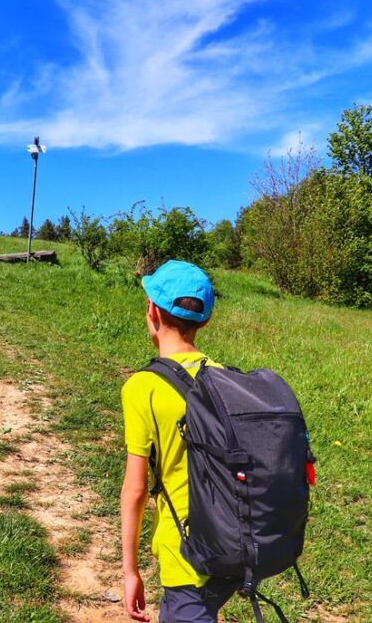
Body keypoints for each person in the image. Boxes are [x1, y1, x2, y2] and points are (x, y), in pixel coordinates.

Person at [120, 259, 236, 622]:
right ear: (205, 320)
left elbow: (135, 490)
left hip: (186, 551)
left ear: (151, 310)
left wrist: (129, 571)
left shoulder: (142, 387)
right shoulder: (225, 378)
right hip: (233, 542)